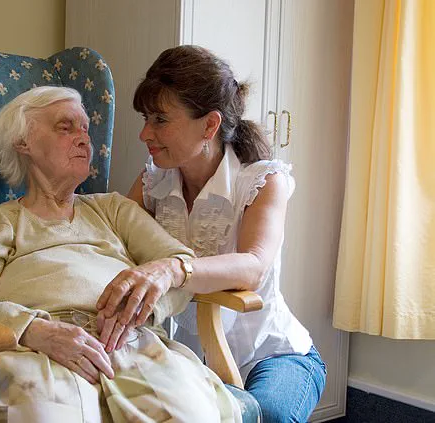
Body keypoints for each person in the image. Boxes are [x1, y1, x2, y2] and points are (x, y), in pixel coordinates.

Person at [0, 86, 243, 422]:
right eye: (66, 127)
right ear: (22, 142)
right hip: (33, 350)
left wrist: (140, 310)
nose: (84, 139)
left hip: (132, 342)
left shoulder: (113, 209)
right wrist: (34, 330)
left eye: (86, 129)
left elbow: (180, 267)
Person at [95, 46, 327, 423]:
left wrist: (174, 269)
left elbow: (253, 267)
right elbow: (109, 245)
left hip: (274, 355)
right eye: (145, 118)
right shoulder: (153, 182)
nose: (144, 133)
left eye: (160, 120)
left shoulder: (263, 181)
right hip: (188, 357)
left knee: (264, 414)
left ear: (209, 125)